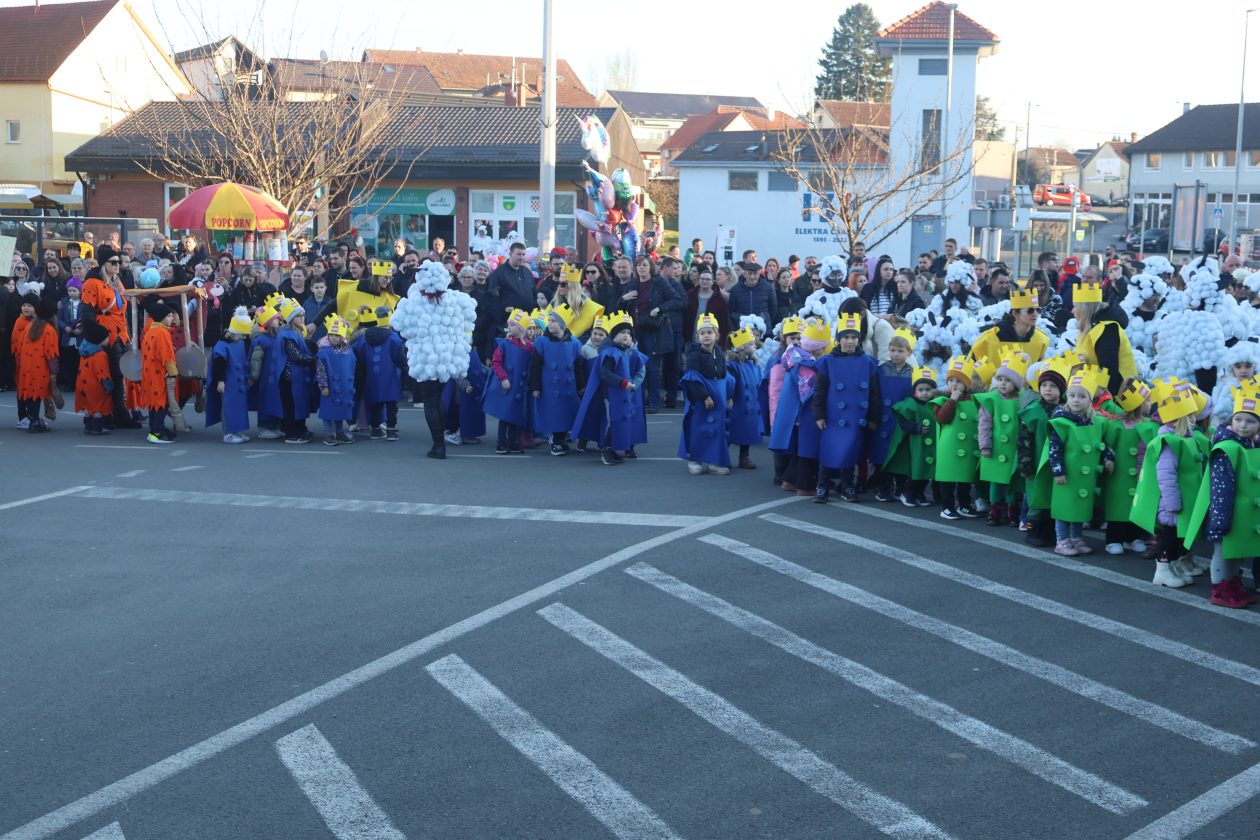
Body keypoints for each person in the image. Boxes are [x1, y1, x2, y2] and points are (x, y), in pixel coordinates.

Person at [1184, 388, 1260, 607]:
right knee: (1223, 552)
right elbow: (1220, 488)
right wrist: (1219, 521)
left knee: (1237, 551)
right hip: (1225, 513)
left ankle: (1233, 584)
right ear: (1231, 420)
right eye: (1239, 420)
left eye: (1250, 421)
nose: (1243, 425)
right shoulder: (1227, 448)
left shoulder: (1252, 446)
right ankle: (1220, 588)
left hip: (1242, 514)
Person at [1041, 372, 1115, 556]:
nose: (1076, 400)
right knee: (1064, 507)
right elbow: (1054, 449)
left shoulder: (1094, 422)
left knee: (1079, 508)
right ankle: (1062, 540)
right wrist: (1058, 471)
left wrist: (1108, 457)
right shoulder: (1061, 422)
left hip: (1085, 477)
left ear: (1090, 400)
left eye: (1082, 396)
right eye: (1072, 395)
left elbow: (1101, 443)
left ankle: (1076, 537)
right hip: (1067, 474)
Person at [811, 314, 880, 503]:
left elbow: (874, 394)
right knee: (829, 450)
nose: (850, 341)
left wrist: (873, 418)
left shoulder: (868, 362)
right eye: (846, 337)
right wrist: (819, 415)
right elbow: (820, 391)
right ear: (838, 338)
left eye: (854, 337)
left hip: (856, 417)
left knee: (851, 451)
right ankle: (822, 486)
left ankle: (848, 485)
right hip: (833, 417)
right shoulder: (828, 362)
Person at [570, 311, 646, 465]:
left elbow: (640, 369)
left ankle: (622, 447)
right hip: (611, 394)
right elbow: (605, 374)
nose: (626, 336)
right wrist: (624, 383)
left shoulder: (627, 351)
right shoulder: (610, 353)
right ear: (613, 335)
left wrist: (633, 383)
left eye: (628, 333)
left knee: (625, 419)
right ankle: (606, 450)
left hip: (625, 394)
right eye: (622, 332)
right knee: (613, 421)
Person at [1100, 379, 1157, 554]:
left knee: (1136, 504)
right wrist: (1107, 459)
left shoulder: (1150, 426)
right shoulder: (1115, 425)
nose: (1150, 403)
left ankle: (1133, 537)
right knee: (1118, 505)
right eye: (1146, 400)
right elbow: (1106, 445)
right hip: (1119, 474)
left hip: (1139, 475)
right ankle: (1113, 539)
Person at [976, 352, 1031, 526]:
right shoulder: (990, 399)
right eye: (999, 379)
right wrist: (985, 445)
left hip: (1014, 448)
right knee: (995, 479)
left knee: (1010, 480)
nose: (1002, 384)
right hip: (995, 447)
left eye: (1007, 380)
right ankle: (994, 509)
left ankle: (1011, 509)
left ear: (1015, 384)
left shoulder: (1022, 400)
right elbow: (984, 424)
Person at [679, 313, 732, 475]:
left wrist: (729, 395)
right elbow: (692, 378)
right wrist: (704, 396)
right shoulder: (694, 354)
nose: (706, 336)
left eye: (710, 332)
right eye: (702, 333)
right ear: (698, 336)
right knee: (699, 429)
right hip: (701, 400)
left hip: (718, 398)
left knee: (716, 430)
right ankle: (694, 460)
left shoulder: (720, 353)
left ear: (717, 335)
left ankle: (713, 461)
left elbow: (724, 376)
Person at [530, 305, 585, 455]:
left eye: (553, 320)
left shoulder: (574, 343)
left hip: (568, 386)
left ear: (563, 324)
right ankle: (555, 441)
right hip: (549, 387)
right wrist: (535, 386)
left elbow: (578, 367)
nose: (550, 323)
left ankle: (561, 439)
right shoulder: (542, 342)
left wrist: (581, 386)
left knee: (566, 413)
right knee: (554, 414)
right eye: (549, 320)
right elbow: (535, 367)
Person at [869, 330, 917, 502]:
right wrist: (873, 418)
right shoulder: (880, 370)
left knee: (900, 453)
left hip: (901, 420)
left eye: (900, 351)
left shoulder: (913, 373)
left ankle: (900, 486)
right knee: (881, 453)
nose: (895, 354)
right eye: (893, 350)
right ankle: (882, 486)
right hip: (883, 418)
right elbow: (874, 395)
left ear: (909, 353)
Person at [883, 365, 939, 507]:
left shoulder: (936, 404)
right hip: (916, 445)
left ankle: (919, 493)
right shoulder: (909, 404)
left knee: (927, 471)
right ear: (915, 391)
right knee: (917, 470)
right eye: (921, 390)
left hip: (932, 445)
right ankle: (907, 493)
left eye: (928, 390)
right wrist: (916, 427)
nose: (924, 393)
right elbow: (903, 423)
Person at [263, 299, 316, 444]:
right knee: (293, 406)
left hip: (296, 377)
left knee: (299, 404)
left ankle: (300, 428)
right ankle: (293, 433)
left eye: (303, 315)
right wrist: (314, 359)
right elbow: (295, 356)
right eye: (298, 316)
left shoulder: (295, 332)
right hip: (290, 378)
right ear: (291, 318)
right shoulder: (287, 335)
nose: (302, 318)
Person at [933, 356, 981, 520]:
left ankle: (964, 505)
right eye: (951, 380)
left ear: (966, 385)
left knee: (965, 479)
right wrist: (952, 401)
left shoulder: (973, 401)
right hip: (949, 447)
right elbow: (942, 418)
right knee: (948, 479)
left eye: (959, 381)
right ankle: (947, 506)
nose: (954, 384)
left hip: (967, 447)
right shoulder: (942, 400)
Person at [1072, 281, 1135, 395]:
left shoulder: (1107, 330)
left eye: (1075, 307)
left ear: (1085, 310)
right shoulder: (1091, 328)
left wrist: (1104, 400)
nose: (1073, 311)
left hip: (1117, 394)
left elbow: (1109, 372)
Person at [485, 309, 533, 455]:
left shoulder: (529, 346)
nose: (509, 328)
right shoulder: (504, 344)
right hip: (508, 384)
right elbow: (496, 363)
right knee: (505, 415)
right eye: (509, 325)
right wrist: (503, 377)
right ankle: (501, 442)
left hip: (521, 386)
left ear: (521, 329)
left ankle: (513, 441)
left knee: (516, 415)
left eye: (512, 325)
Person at [203, 306, 254, 444]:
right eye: (243, 334)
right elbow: (219, 364)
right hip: (228, 381)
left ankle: (237, 430)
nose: (245, 337)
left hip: (238, 382)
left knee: (239, 407)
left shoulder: (239, 342)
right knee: (228, 407)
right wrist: (220, 381)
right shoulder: (222, 345)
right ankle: (228, 433)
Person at [11, 295, 58, 432]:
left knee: (30, 392)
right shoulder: (49, 330)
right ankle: (34, 422)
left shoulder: (29, 327)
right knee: (37, 393)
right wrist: (54, 372)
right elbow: (51, 354)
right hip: (40, 367)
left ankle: (33, 419)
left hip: (26, 365)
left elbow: (18, 346)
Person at [139, 301, 179, 444]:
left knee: (153, 404)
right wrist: (173, 374)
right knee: (161, 404)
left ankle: (154, 429)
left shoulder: (150, 331)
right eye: (169, 316)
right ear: (161, 317)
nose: (172, 318)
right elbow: (167, 356)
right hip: (159, 374)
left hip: (149, 373)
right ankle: (157, 432)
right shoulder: (162, 333)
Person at [316, 316, 357, 446]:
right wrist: (323, 386)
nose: (333, 337)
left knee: (340, 411)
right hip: (330, 387)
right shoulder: (324, 353)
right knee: (328, 412)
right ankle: (329, 434)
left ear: (342, 336)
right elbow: (320, 371)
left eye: (337, 335)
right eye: (331, 335)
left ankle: (339, 433)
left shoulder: (348, 351)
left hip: (343, 387)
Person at [726, 326, 762, 470]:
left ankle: (744, 457)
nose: (755, 344)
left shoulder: (753, 364)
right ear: (741, 347)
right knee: (729, 429)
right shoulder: (732, 366)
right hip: (738, 403)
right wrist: (729, 397)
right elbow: (730, 383)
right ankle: (724, 456)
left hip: (750, 403)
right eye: (751, 342)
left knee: (747, 429)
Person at [74, 321, 113, 436]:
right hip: (96, 385)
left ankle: (88, 426)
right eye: (106, 338)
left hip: (82, 383)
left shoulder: (84, 351)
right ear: (99, 340)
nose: (108, 340)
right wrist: (108, 385)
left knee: (88, 406)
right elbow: (102, 372)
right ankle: (97, 427)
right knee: (98, 407)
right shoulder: (100, 354)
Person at [488, 242, 536, 333]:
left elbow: (533, 293)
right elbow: (493, 299)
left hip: (528, 323)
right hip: (507, 325)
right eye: (518, 254)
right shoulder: (498, 274)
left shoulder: (527, 272)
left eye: (523, 254)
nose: (521, 257)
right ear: (510, 254)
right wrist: (503, 310)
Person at [684, 266, 729, 346]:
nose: (704, 281)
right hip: (691, 341)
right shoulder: (690, 295)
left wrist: (721, 342)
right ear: (699, 280)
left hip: (711, 343)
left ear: (712, 282)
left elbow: (724, 323)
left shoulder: (719, 299)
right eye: (702, 279)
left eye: (708, 279)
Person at [727, 260, 776, 331]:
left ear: (759, 274)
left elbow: (773, 309)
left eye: (755, 273)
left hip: (763, 329)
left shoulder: (768, 288)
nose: (752, 277)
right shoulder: (735, 289)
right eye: (749, 273)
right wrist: (740, 319)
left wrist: (764, 319)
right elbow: (732, 311)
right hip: (743, 329)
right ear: (744, 274)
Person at [55, 279, 83, 391]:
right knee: (68, 360)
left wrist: (81, 328)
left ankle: (80, 383)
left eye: (74, 290)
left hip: (80, 336)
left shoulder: (84, 303)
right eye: (69, 290)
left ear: (80, 291)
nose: (71, 293)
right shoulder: (64, 302)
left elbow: (87, 317)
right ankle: (69, 383)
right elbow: (59, 318)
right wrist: (64, 327)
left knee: (79, 360)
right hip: (67, 335)